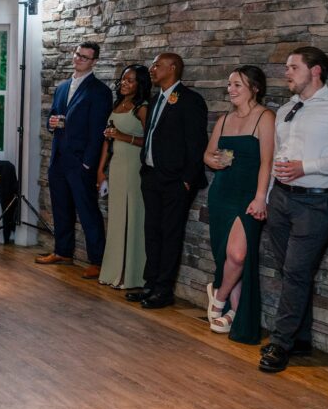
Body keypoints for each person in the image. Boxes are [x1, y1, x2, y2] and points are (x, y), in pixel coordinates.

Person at [259, 47, 328, 373]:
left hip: (317, 201)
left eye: (293, 67)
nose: (286, 73)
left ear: (315, 71)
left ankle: (281, 343)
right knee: (290, 271)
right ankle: (300, 338)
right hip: (281, 200)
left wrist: (308, 167)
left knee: (296, 272)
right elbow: (279, 154)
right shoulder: (288, 108)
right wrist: (268, 195)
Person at [126, 53, 208, 309]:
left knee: (170, 234)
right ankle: (150, 284)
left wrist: (187, 179)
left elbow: (196, 144)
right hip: (151, 176)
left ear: (173, 68)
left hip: (175, 181)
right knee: (152, 231)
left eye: (157, 65)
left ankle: (164, 289)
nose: (152, 69)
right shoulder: (155, 99)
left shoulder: (190, 100)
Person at [203, 66, 274, 343]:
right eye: (229, 85)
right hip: (221, 193)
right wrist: (213, 161)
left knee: (239, 255)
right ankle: (231, 315)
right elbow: (207, 154)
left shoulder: (265, 117)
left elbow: (267, 162)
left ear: (254, 88)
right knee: (228, 255)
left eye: (237, 85)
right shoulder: (223, 119)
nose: (231, 90)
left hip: (248, 196)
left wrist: (260, 197)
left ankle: (218, 298)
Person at [37, 42, 113, 279]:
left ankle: (97, 261)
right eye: (78, 54)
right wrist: (51, 123)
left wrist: (88, 164)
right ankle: (63, 251)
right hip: (58, 158)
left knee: (88, 210)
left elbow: (97, 131)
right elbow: (54, 117)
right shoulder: (62, 87)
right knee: (60, 207)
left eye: (86, 57)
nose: (79, 59)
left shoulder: (100, 91)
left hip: (81, 162)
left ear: (94, 62)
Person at [96, 65, 151, 289]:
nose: (124, 83)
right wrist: (101, 171)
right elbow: (107, 142)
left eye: (130, 80)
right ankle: (112, 271)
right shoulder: (117, 104)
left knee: (133, 218)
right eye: (123, 79)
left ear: (140, 84)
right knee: (117, 219)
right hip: (117, 166)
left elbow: (149, 141)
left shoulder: (142, 108)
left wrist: (122, 136)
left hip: (133, 166)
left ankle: (132, 275)